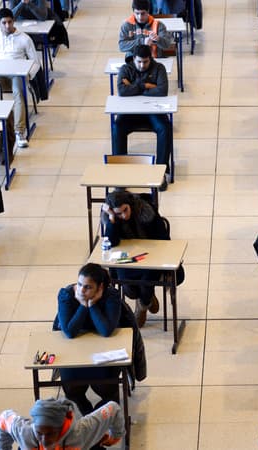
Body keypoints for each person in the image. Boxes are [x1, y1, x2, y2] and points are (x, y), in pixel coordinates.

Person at [55, 263, 123, 417]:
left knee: (108, 390)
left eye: (88, 287)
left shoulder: (110, 295)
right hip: (74, 355)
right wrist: (82, 305)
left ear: (100, 287)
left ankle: (95, 422)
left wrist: (92, 305)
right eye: (79, 284)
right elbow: (70, 332)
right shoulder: (66, 295)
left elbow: (106, 331)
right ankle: (90, 419)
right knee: (72, 390)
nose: (81, 290)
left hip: (103, 354)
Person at [102, 190, 169, 327]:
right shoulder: (114, 218)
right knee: (127, 285)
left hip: (152, 255)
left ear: (130, 203)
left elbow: (163, 238)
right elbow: (111, 242)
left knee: (147, 278)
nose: (124, 215)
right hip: (128, 259)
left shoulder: (146, 211)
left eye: (125, 210)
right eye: (118, 213)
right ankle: (148, 298)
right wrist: (112, 219)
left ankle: (143, 305)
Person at [111, 44, 172, 186]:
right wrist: (146, 86)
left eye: (145, 62)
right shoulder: (125, 69)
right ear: (133, 59)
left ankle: (161, 172)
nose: (142, 65)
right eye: (139, 61)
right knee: (117, 127)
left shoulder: (159, 68)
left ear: (150, 59)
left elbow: (162, 91)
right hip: (130, 113)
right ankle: (119, 172)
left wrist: (132, 86)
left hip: (153, 112)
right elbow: (122, 91)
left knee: (165, 128)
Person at [0, 7, 40, 149]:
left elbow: (36, 63)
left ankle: (19, 131)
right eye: (4, 23)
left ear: (14, 21)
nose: (7, 26)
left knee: (18, 93)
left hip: (17, 74)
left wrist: (27, 75)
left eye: (10, 22)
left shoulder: (25, 39)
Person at [0, 398, 125, 449]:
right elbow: (4, 418)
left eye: (50, 433)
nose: (44, 440)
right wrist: (2, 447)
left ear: (61, 427)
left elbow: (112, 408)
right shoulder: (25, 432)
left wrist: (116, 436)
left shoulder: (80, 431)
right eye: (40, 433)